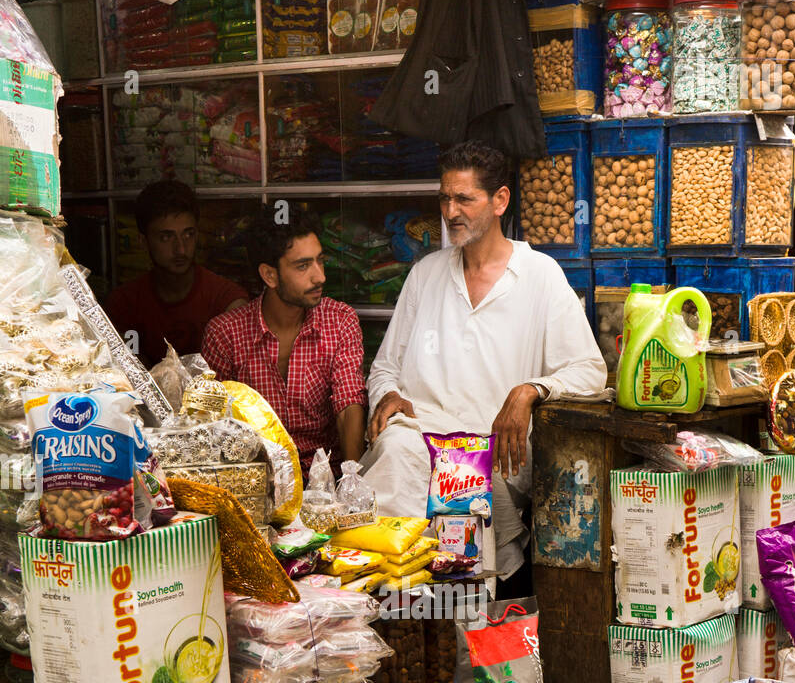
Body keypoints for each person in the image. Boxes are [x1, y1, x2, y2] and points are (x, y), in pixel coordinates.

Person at [362, 140, 607, 590]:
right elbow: (384, 368)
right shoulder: (426, 274)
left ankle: (470, 634)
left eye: (464, 199)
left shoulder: (539, 275)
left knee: (468, 496)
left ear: (499, 200)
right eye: (444, 198)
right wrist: (389, 396)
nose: (450, 211)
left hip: (492, 457)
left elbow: (590, 370)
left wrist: (529, 390)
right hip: (420, 443)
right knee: (395, 458)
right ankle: (394, 607)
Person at [201, 207, 366, 474]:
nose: (320, 276)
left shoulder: (340, 320)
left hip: (325, 478)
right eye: (303, 266)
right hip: (256, 482)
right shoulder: (225, 334)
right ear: (269, 275)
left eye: (320, 260)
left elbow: (349, 405)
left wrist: (352, 480)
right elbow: (213, 426)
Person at [106, 180, 248, 368]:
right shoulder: (123, 304)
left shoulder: (226, 300)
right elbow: (127, 375)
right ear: (143, 241)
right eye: (166, 237)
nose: (180, 248)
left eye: (188, 234)